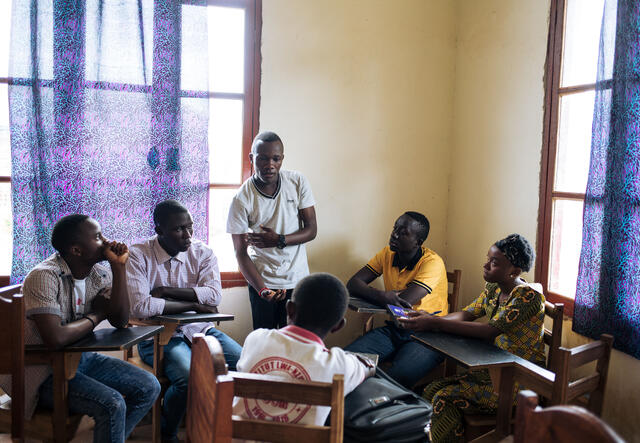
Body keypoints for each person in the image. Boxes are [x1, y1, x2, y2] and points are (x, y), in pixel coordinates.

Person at [0, 214, 160, 443]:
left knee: (148, 386)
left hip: (76, 359)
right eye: (97, 236)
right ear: (76, 250)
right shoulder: (44, 276)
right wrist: (97, 314)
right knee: (112, 403)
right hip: (39, 371)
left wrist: (119, 267)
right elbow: (55, 339)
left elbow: (120, 320)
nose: (106, 242)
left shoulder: (98, 274)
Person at [399, 234, 544, 443]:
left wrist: (436, 323)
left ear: (514, 271)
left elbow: (489, 331)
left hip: (516, 382)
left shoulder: (527, 297)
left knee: (443, 399)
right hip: (491, 372)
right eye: (488, 258)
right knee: (429, 389)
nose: (485, 265)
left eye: (494, 263)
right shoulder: (494, 289)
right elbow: (467, 314)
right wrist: (428, 320)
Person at [126, 199, 242, 442]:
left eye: (190, 227)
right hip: (158, 335)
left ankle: (218, 424)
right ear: (159, 230)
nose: (188, 235)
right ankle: (167, 432)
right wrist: (193, 304)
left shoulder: (203, 252)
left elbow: (214, 295)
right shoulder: (137, 255)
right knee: (188, 378)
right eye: (179, 229)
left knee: (244, 363)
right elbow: (141, 306)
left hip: (201, 329)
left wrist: (166, 291)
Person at [233, 272, 375, 425]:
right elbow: (369, 368)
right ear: (338, 326)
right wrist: (362, 363)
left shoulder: (256, 339)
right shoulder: (340, 365)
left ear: (289, 309)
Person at [344, 211, 448, 388]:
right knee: (345, 361)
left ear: (418, 242)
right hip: (396, 329)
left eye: (404, 232)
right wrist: (383, 296)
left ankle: (379, 411)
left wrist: (384, 298)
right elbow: (353, 283)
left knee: (395, 378)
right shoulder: (387, 254)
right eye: (395, 228)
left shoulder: (432, 262)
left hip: (429, 335)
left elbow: (403, 301)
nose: (395, 234)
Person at [227, 131, 317, 330]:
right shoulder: (242, 199)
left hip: (298, 279)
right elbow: (240, 253)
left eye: (276, 159)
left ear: (282, 159)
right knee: (265, 343)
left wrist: (280, 240)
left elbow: (311, 230)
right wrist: (262, 290)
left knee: (297, 339)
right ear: (252, 158)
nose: (270, 165)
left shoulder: (297, 182)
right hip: (263, 281)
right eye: (263, 158)